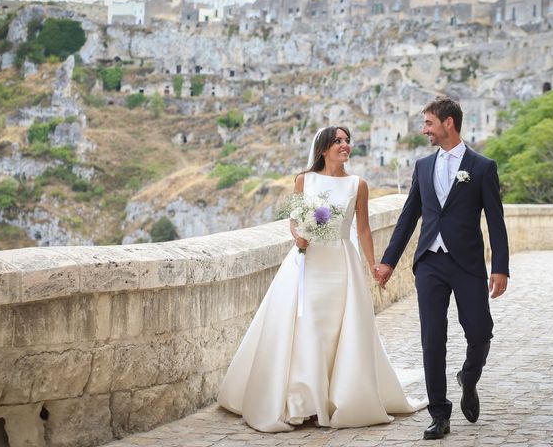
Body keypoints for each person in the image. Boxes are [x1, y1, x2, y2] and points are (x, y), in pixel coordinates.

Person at [218, 126, 426, 432]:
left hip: (341, 264)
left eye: (346, 141)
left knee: (336, 330)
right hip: (308, 264)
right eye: (338, 141)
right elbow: (294, 221)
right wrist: (298, 236)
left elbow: (364, 230)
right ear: (324, 149)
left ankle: (334, 399)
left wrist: (373, 265)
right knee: (306, 327)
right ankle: (304, 403)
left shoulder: (359, 185)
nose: (345, 145)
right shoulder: (304, 180)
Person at [373, 98, 510, 440]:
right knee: (432, 339)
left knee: (479, 332)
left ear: (449, 123)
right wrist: (389, 261)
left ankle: (469, 376)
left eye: (429, 123)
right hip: (430, 263)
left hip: (467, 264)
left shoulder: (481, 167)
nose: (424, 130)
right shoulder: (422, 167)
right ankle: (439, 413)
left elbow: (496, 220)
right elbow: (408, 216)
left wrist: (501, 268)